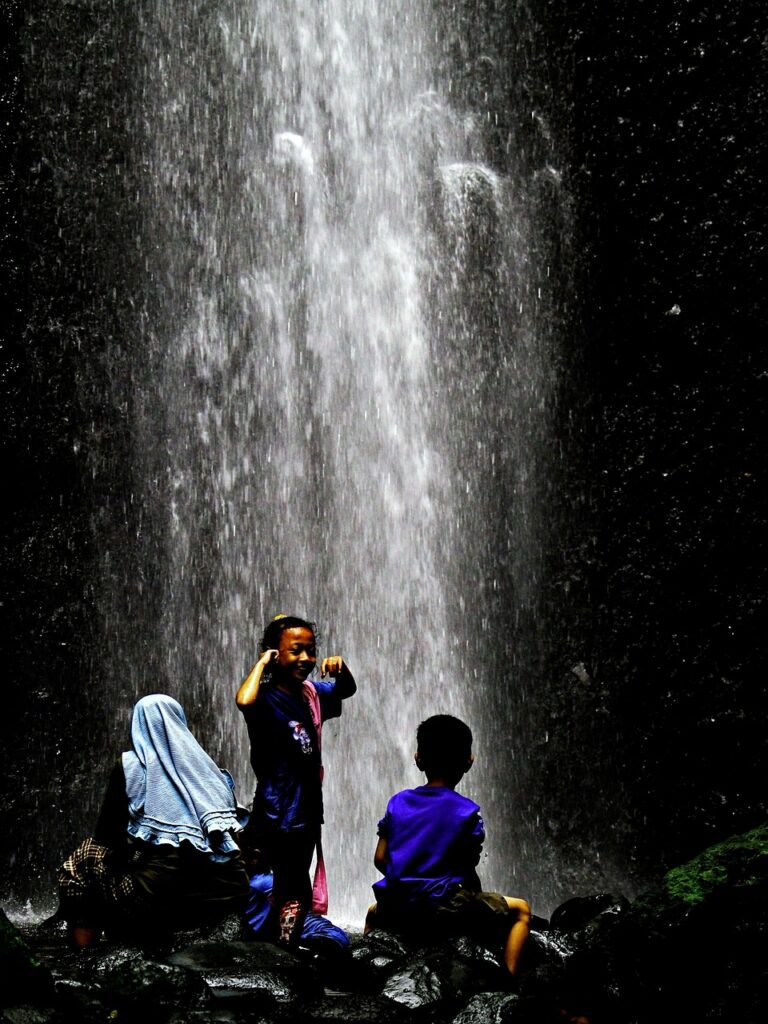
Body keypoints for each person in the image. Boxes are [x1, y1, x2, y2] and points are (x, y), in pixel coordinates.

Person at [57, 694, 250, 948]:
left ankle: (83, 956)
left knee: (83, 860)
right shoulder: (210, 771)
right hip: (229, 892)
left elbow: (107, 834)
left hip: (157, 894)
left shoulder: (130, 766)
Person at [368, 714, 531, 976]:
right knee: (522, 910)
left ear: (418, 758)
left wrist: (408, 878)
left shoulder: (397, 802)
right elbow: (467, 867)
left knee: (372, 913)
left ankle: (369, 970)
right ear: (468, 762)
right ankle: (508, 982)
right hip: (443, 910)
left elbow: (380, 859)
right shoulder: (467, 812)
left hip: (397, 904)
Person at [235, 614, 356, 948]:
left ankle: (283, 948)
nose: (306, 659)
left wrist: (342, 669)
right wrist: (262, 662)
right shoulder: (266, 697)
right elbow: (243, 700)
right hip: (273, 808)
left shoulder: (311, 694)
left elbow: (346, 689)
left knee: (297, 886)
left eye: (311, 650)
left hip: (305, 809)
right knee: (267, 881)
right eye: (296, 651)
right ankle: (261, 942)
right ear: (276, 654)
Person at [244, 870, 350, 960]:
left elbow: (254, 931)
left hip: (321, 938)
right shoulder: (270, 882)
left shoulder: (257, 884)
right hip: (336, 936)